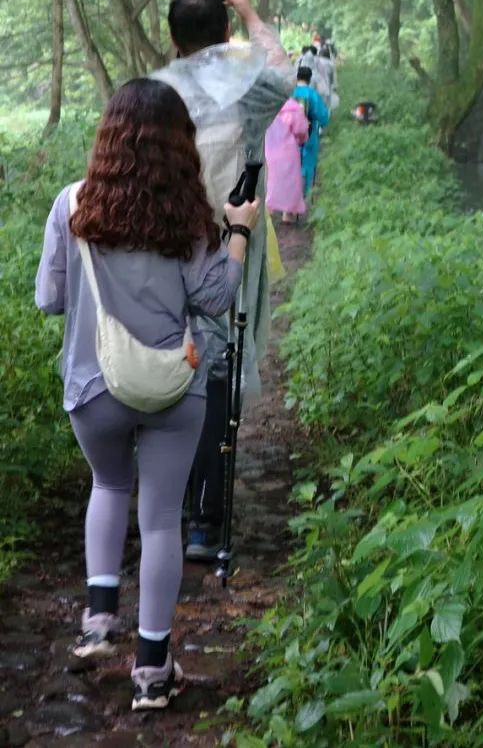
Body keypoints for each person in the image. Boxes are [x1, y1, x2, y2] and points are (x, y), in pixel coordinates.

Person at [35, 79, 259, 712]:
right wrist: (238, 233)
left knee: (109, 485)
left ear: (108, 138)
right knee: (161, 520)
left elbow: (49, 299)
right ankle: (153, 672)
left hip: (93, 387)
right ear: (178, 145)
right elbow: (214, 299)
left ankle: (98, 620)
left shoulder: (71, 205)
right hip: (171, 389)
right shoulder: (187, 217)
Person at [151, 0, 292, 562]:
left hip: (162, 247)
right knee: (216, 372)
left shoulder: (152, 93)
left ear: (173, 40)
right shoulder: (249, 87)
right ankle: (205, 521)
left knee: (170, 362)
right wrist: (253, 14)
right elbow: (285, 72)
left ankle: (171, 504)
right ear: (226, 31)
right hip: (231, 240)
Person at [264, 97, 309, 223]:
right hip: (289, 151)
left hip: (270, 149)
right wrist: (301, 139)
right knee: (290, 182)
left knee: (271, 179)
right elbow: (301, 130)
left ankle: (269, 208)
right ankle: (287, 214)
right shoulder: (293, 109)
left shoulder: (267, 108)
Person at [293, 64, 330, 196]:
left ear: (297, 77)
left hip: (289, 137)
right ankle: (304, 196)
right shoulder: (312, 94)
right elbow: (323, 117)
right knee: (307, 166)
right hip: (308, 136)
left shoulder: (289, 93)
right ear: (310, 78)